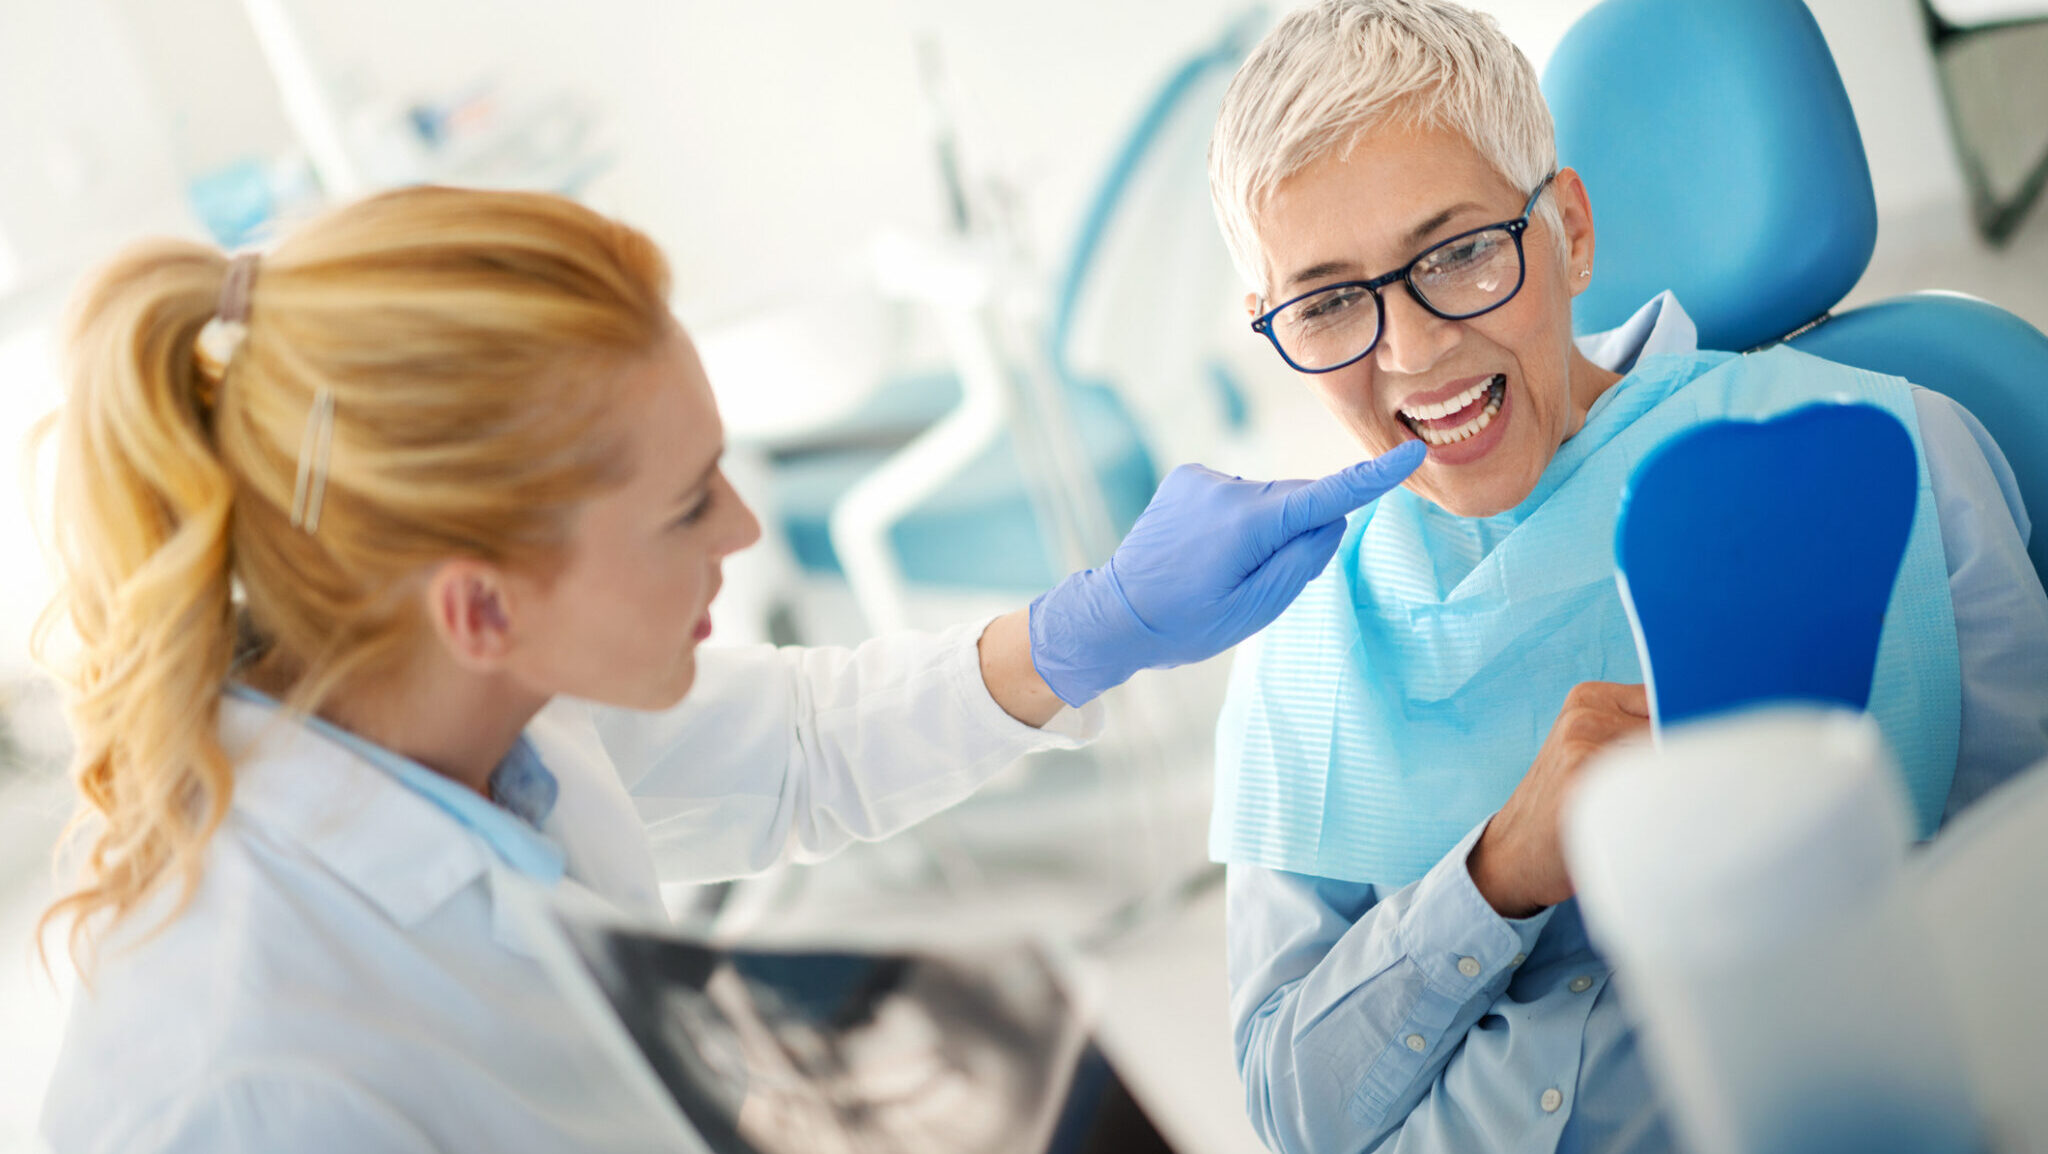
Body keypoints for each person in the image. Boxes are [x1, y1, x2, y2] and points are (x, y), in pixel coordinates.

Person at [31, 185, 1424, 1153]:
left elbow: (799, 745)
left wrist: (1090, 624)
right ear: (480, 603)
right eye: (689, 503)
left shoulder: (462, 701)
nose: (746, 530)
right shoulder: (241, 1083)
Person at [1201, 2, 2048, 1152]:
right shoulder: (1300, 637)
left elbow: (2023, 909)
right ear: (1270, 324)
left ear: (1567, 229)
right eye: (1330, 299)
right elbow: (1294, 1110)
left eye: (1455, 251)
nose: (1407, 351)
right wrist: (1494, 875)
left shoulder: (1891, 460)